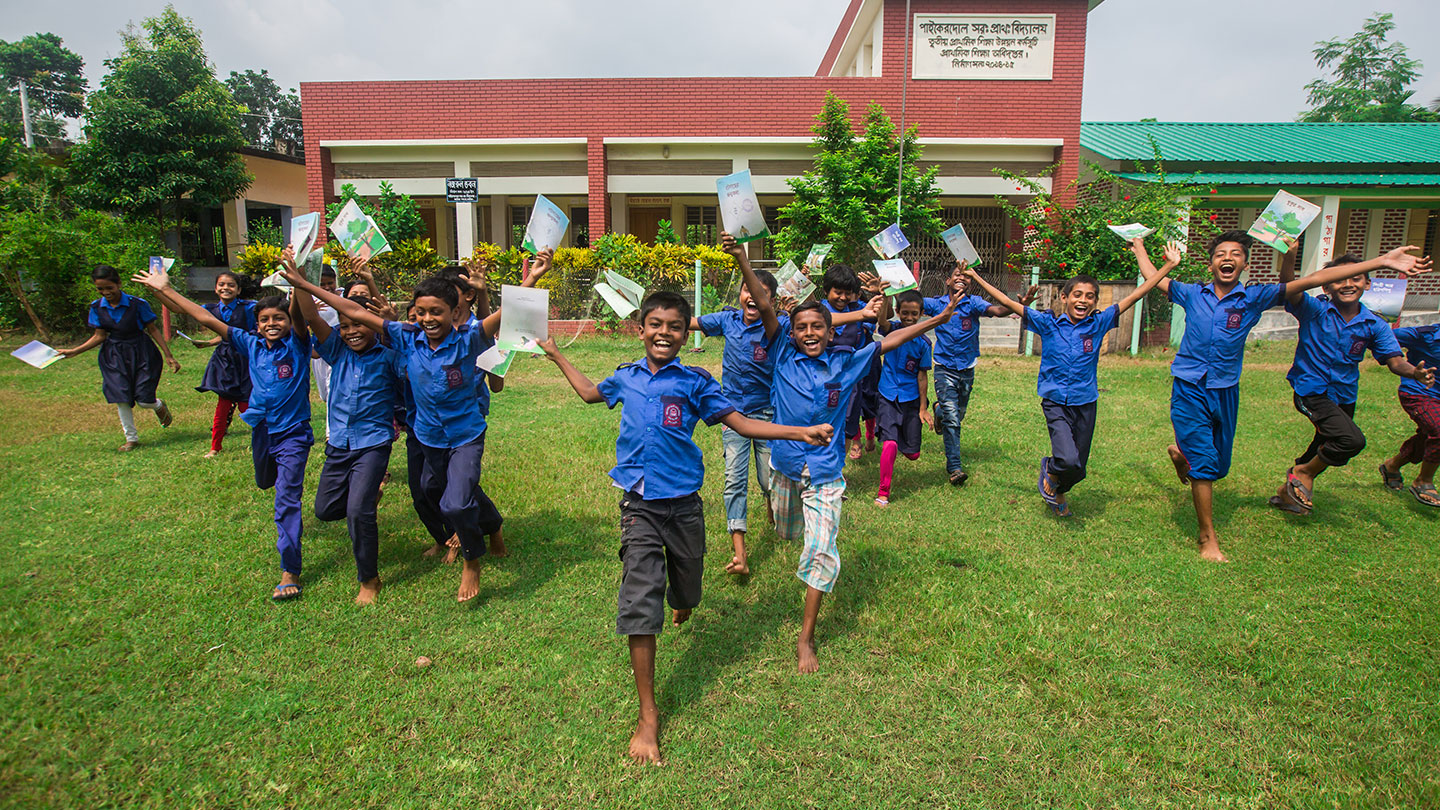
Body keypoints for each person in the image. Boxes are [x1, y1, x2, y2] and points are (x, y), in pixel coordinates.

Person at [538, 290, 831, 765]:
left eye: (675, 326)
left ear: (685, 333)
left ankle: (683, 600)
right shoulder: (627, 378)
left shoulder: (695, 382)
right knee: (640, 597)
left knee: (688, 589)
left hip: (685, 509)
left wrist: (799, 432)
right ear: (641, 329)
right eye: (655, 324)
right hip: (639, 504)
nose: (664, 333)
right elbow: (592, 393)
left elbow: (742, 423)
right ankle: (648, 715)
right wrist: (555, 355)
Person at [1132, 231, 1427, 561]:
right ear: (1211, 262)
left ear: (1245, 263)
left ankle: (1183, 455)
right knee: (1204, 465)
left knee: (1220, 467)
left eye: (1235, 254)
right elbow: (1152, 277)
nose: (1227, 258)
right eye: (1220, 254)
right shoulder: (1191, 294)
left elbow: (1316, 279)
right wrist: (1140, 246)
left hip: (1226, 389)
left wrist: (1382, 261)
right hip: (1188, 386)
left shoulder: (1255, 297)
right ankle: (1207, 539)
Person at [281, 251, 549, 602]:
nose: (427, 318)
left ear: (453, 312)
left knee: (455, 503)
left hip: (465, 435)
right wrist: (303, 284)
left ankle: (472, 560)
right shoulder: (407, 337)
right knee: (444, 493)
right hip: (428, 437)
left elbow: (505, 314)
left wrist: (533, 278)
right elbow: (356, 312)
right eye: (421, 312)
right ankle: (492, 525)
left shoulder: (468, 339)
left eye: (435, 312)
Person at [769, 291, 961, 675]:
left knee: (821, 552)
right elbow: (764, 302)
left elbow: (891, 340)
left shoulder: (847, 362)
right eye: (802, 327)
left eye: (818, 326)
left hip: (825, 474)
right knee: (786, 531)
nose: (810, 333)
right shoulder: (782, 354)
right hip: (785, 468)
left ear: (829, 331)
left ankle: (805, 637)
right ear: (791, 334)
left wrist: (936, 322)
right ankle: (784, 518)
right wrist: (742, 259)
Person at [133, 266, 314, 600]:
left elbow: (302, 315)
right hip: (261, 431)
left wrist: (298, 281)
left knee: (286, 499)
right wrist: (166, 289)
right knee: (265, 481)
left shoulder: (298, 346)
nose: (272, 324)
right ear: (256, 324)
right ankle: (279, 493)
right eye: (265, 320)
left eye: (279, 318)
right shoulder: (251, 344)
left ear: (288, 323)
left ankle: (290, 570)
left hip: (294, 435)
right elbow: (204, 318)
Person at [965, 250, 1176, 516]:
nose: (1083, 300)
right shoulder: (1047, 323)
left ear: (1095, 301)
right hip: (1055, 402)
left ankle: (1059, 488)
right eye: (1077, 294)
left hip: (1086, 402)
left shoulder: (1098, 323)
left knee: (1079, 468)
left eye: (1090, 296)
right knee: (1067, 459)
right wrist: (975, 276)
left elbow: (1136, 294)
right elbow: (1006, 299)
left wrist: (1167, 265)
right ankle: (1051, 469)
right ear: (1064, 297)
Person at [1269, 249, 1435, 514]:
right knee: (1350, 440)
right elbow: (1290, 288)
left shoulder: (1374, 323)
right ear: (1326, 285)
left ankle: (1288, 492)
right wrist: (1290, 258)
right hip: (1311, 389)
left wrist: (1413, 372)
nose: (1348, 284)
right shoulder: (1315, 310)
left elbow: (1394, 361)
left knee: (1324, 443)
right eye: (1340, 279)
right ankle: (1303, 473)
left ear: (1367, 284)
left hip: (1345, 394)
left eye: (1356, 278)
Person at [290, 275, 405, 604]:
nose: (352, 331)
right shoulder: (337, 350)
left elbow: (405, 351)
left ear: (373, 326)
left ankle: (369, 579)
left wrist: (390, 324)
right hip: (339, 443)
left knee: (357, 512)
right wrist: (299, 277)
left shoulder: (388, 356)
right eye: (344, 325)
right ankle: (365, 498)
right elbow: (311, 316)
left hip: (373, 443)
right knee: (325, 510)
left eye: (359, 325)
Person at [692, 234, 787, 575]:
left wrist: (861, 314)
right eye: (748, 290)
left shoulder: (777, 326)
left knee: (767, 480)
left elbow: (820, 323)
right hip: (732, 414)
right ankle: (740, 553)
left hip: (766, 414)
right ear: (739, 294)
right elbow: (687, 323)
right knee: (734, 481)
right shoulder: (727, 320)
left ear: (770, 300)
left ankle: (772, 509)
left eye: (761, 292)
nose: (752, 296)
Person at [925, 260, 1037, 485]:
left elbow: (997, 310)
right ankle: (955, 468)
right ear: (947, 280)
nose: (961, 278)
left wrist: (1019, 305)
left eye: (966, 276)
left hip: (967, 369)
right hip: (944, 368)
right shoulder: (937, 304)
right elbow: (912, 302)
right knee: (954, 420)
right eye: (956, 274)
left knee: (957, 415)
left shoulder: (974, 303)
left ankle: (939, 411)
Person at [58, 266, 179, 451]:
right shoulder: (97, 307)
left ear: (119, 284)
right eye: (101, 289)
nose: (106, 293)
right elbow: (99, 336)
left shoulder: (137, 304)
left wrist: (168, 355)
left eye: (110, 288)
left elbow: (153, 329)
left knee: (144, 400)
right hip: (114, 356)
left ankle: (158, 405)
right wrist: (75, 350)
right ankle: (131, 438)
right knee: (121, 396)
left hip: (142, 352)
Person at [872, 290, 934, 506]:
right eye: (904, 313)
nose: (909, 317)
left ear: (921, 314)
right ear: (897, 312)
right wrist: (886, 296)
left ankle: (906, 445)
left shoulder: (924, 344)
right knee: (890, 443)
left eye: (914, 314)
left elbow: (922, 375)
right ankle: (883, 493)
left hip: (911, 399)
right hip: (887, 395)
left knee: (913, 453)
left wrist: (923, 408)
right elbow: (882, 321)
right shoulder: (892, 331)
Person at [189, 270, 256, 458]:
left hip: (245, 359)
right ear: (216, 288)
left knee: (247, 405)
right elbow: (181, 308)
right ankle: (215, 447)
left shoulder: (249, 308)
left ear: (239, 289)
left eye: (231, 285)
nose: (226, 288)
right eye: (222, 285)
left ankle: (263, 441)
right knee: (223, 405)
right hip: (224, 362)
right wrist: (161, 290)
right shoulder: (211, 309)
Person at [820, 264, 881, 460]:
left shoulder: (858, 308)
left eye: (847, 293)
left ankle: (837, 468)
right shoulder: (818, 309)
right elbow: (825, 319)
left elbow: (882, 317)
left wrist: (882, 296)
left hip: (850, 381)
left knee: (848, 425)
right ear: (826, 290)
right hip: (822, 379)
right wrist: (860, 316)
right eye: (838, 292)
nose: (843, 298)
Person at [1380, 322, 1440, 507]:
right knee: (1439, 430)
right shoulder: (1426, 334)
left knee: (1427, 437)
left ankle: (1392, 466)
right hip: (1418, 393)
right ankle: (1424, 480)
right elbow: (1383, 337)